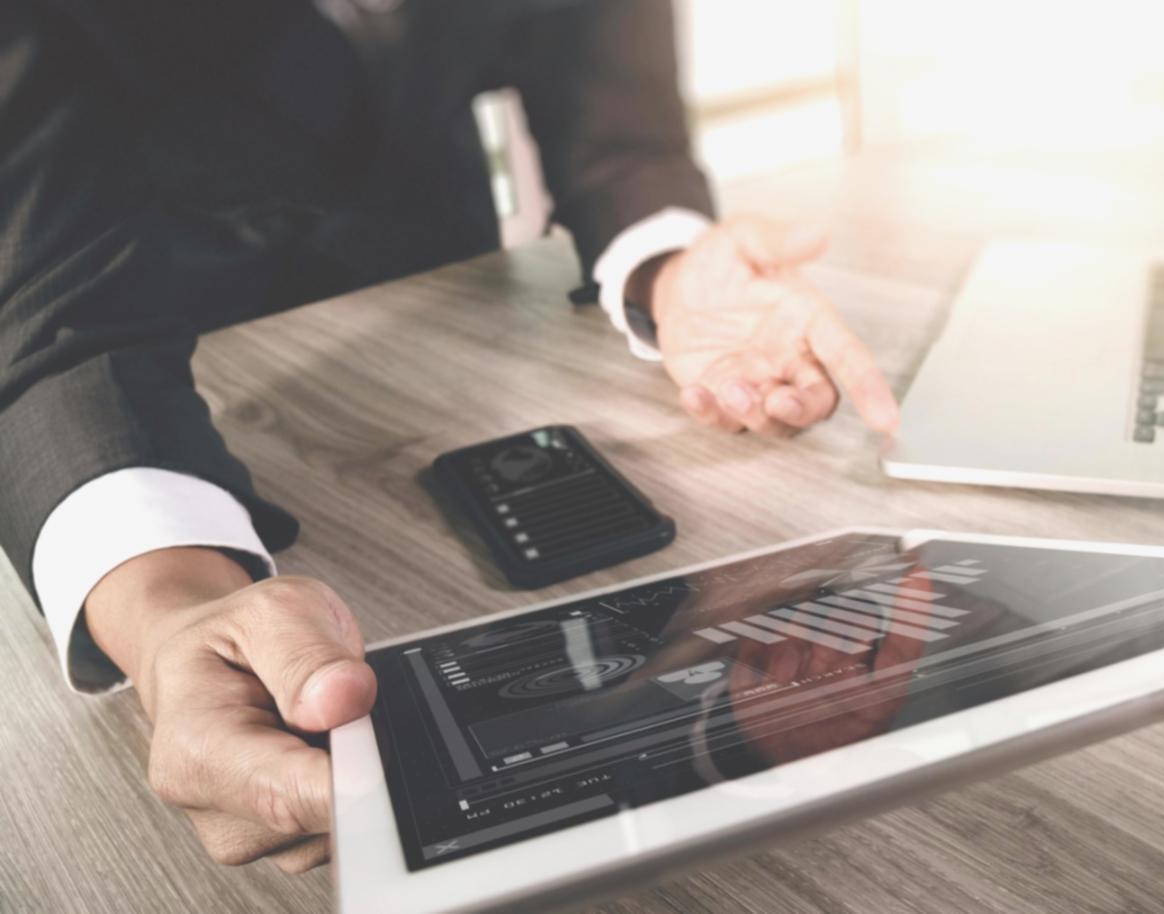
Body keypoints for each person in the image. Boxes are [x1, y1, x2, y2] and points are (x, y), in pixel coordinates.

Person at [0, 0, 899, 874]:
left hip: (455, 286)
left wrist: (667, 265)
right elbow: (46, 317)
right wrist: (168, 610)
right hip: (173, 323)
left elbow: (620, 132)